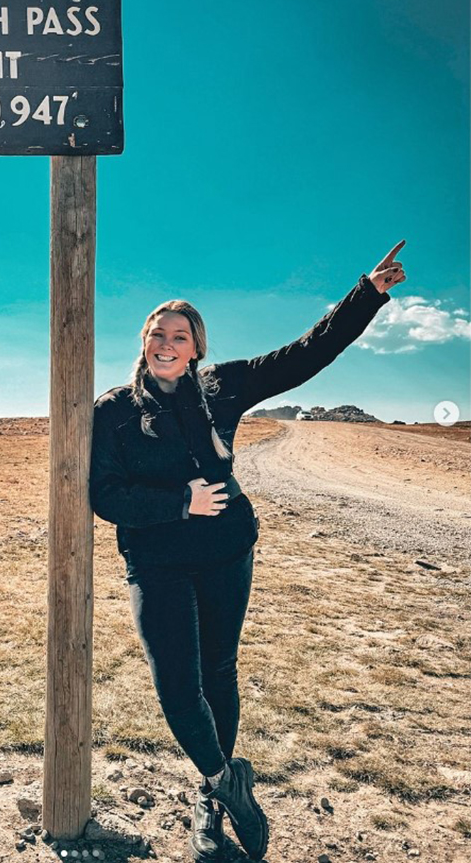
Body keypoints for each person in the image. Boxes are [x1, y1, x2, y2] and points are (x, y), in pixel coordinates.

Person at [89, 242, 407, 862]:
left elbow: (305, 355)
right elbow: (105, 494)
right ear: (144, 340)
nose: (166, 343)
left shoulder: (221, 387)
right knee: (177, 684)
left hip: (226, 551)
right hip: (155, 561)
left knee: (218, 672)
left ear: (196, 346)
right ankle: (225, 779)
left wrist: (366, 295)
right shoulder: (115, 411)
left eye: (179, 335)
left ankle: (208, 801)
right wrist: (181, 502)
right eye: (157, 333)